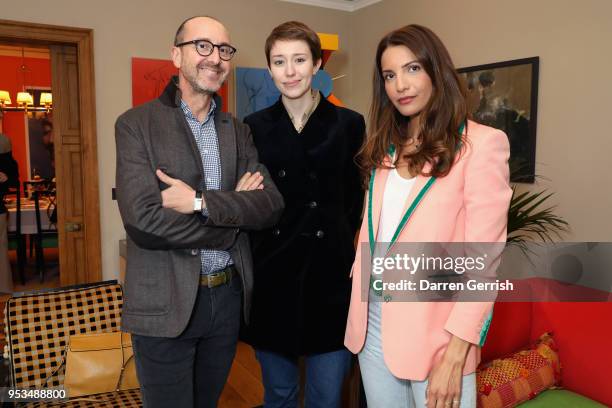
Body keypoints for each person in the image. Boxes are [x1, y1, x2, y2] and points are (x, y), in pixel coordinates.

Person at [115, 16, 284, 408]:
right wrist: (230, 227)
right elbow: (144, 222)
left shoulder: (236, 130)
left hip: (224, 301)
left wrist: (199, 203)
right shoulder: (136, 125)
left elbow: (270, 205)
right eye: (203, 46)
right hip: (164, 304)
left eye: (224, 49)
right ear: (176, 55)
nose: (216, 58)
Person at [344, 25, 512, 408]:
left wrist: (456, 356)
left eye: (413, 69)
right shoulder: (384, 150)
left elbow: (482, 265)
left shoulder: (482, 145)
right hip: (372, 327)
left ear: (436, 71)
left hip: (438, 338)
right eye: (389, 75)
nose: (400, 84)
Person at [241, 21, 366, 408]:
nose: (290, 71)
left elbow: (355, 201)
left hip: (330, 279)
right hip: (273, 276)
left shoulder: (349, 124)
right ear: (270, 69)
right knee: (278, 393)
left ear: (316, 66)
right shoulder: (253, 127)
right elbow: (251, 202)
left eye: (299, 60)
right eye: (280, 62)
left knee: (326, 397)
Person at [0, 111, 18, 293]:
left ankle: (4, 290)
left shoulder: (3, 143)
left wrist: (7, 178)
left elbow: (13, 178)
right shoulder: (4, 143)